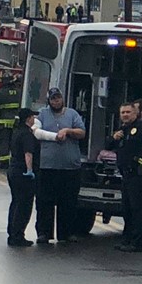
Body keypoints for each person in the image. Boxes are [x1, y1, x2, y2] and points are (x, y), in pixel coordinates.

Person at [106, 102, 142, 252]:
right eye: (123, 112)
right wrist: (114, 138)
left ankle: (139, 243)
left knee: (139, 210)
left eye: (128, 112)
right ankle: (127, 240)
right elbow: (108, 146)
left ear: (135, 113)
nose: (125, 115)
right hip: (126, 175)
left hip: (139, 175)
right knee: (127, 210)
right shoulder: (123, 130)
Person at [33, 87, 86, 244]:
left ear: (62, 98)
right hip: (47, 166)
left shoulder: (72, 114)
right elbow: (35, 131)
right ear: (49, 101)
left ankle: (67, 233)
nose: (56, 101)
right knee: (44, 201)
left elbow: (82, 133)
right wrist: (54, 136)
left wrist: (68, 131)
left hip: (70, 167)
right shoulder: (42, 114)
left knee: (68, 202)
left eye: (58, 98)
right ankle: (44, 233)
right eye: (53, 99)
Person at [7, 108, 41, 247]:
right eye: (33, 117)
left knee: (15, 203)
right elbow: (28, 153)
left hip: (13, 171)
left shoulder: (17, 132)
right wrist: (30, 170)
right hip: (23, 174)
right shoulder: (27, 135)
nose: (34, 119)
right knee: (24, 205)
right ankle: (18, 235)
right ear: (28, 119)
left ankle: (12, 234)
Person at [0, 73, 23, 168]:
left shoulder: (0, 93)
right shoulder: (19, 92)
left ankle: (3, 162)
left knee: (4, 143)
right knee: (15, 143)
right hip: (16, 123)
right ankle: (15, 162)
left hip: (2, 124)